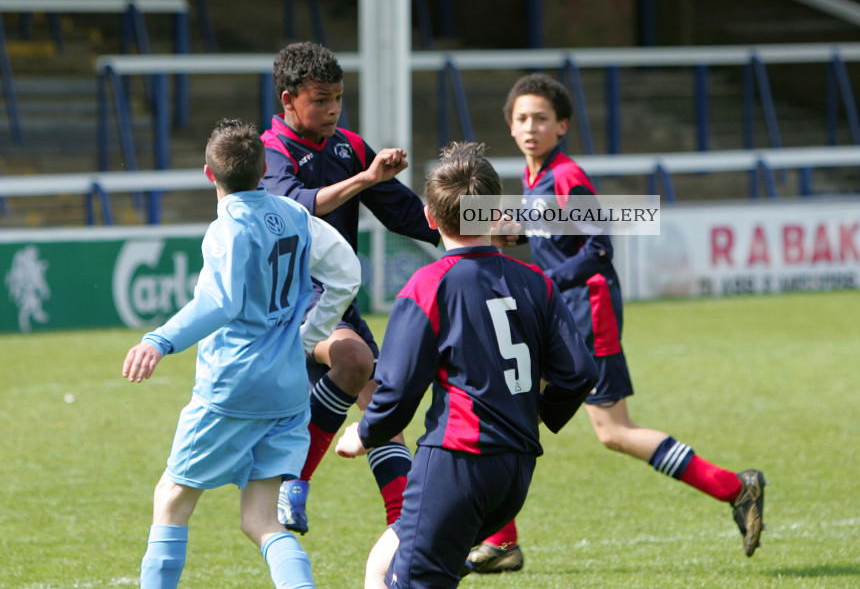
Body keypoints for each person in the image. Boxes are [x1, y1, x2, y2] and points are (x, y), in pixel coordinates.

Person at [469, 73, 767, 571]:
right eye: (522, 118)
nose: (530, 127)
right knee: (520, 411)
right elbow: (556, 229)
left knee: (610, 430)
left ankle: (736, 487)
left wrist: (548, 279)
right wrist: (518, 233)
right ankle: (502, 540)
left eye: (541, 118)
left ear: (562, 126)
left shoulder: (567, 175)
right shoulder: (536, 177)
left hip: (589, 310)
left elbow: (600, 245)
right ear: (510, 123)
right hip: (564, 310)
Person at [335, 141, 597, 589]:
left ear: (431, 220)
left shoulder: (428, 285)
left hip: (457, 465)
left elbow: (398, 390)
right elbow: (581, 373)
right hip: (515, 470)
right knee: (381, 567)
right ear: (495, 213)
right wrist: (538, 411)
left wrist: (364, 432)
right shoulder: (537, 283)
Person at [121, 118, 361, 589]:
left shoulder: (225, 228)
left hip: (233, 387)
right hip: (288, 392)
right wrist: (311, 335)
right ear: (265, 168)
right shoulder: (294, 214)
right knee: (261, 521)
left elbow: (219, 302)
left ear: (209, 175)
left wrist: (159, 339)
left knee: (171, 499)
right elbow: (346, 271)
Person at [260, 41, 441, 534]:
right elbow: (296, 208)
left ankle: (405, 526)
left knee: (380, 408)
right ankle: (292, 482)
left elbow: (408, 214)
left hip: (336, 301)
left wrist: (477, 224)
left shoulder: (348, 146)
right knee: (357, 362)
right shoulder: (268, 152)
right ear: (288, 100)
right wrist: (364, 178)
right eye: (319, 99)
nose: (333, 108)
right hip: (286, 303)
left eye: (338, 97)